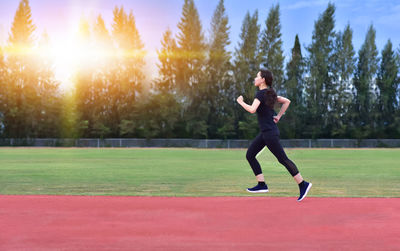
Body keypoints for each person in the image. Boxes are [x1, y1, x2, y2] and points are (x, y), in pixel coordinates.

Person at [236, 69, 312, 202]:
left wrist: (241, 102)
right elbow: (287, 101)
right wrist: (278, 117)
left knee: (283, 159)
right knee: (250, 155)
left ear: (263, 79)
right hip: (266, 133)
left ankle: (303, 184)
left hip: (270, 134)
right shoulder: (270, 94)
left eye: (257, 76)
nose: (255, 78)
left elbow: (252, 109)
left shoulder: (260, 94)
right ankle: (261, 184)